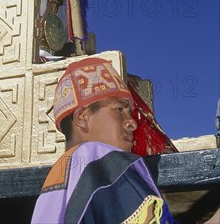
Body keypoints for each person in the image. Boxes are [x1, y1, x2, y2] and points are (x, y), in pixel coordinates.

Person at [31, 57, 175, 224]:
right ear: (82, 117)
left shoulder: (59, 177)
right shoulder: (101, 158)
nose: (133, 123)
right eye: (119, 109)